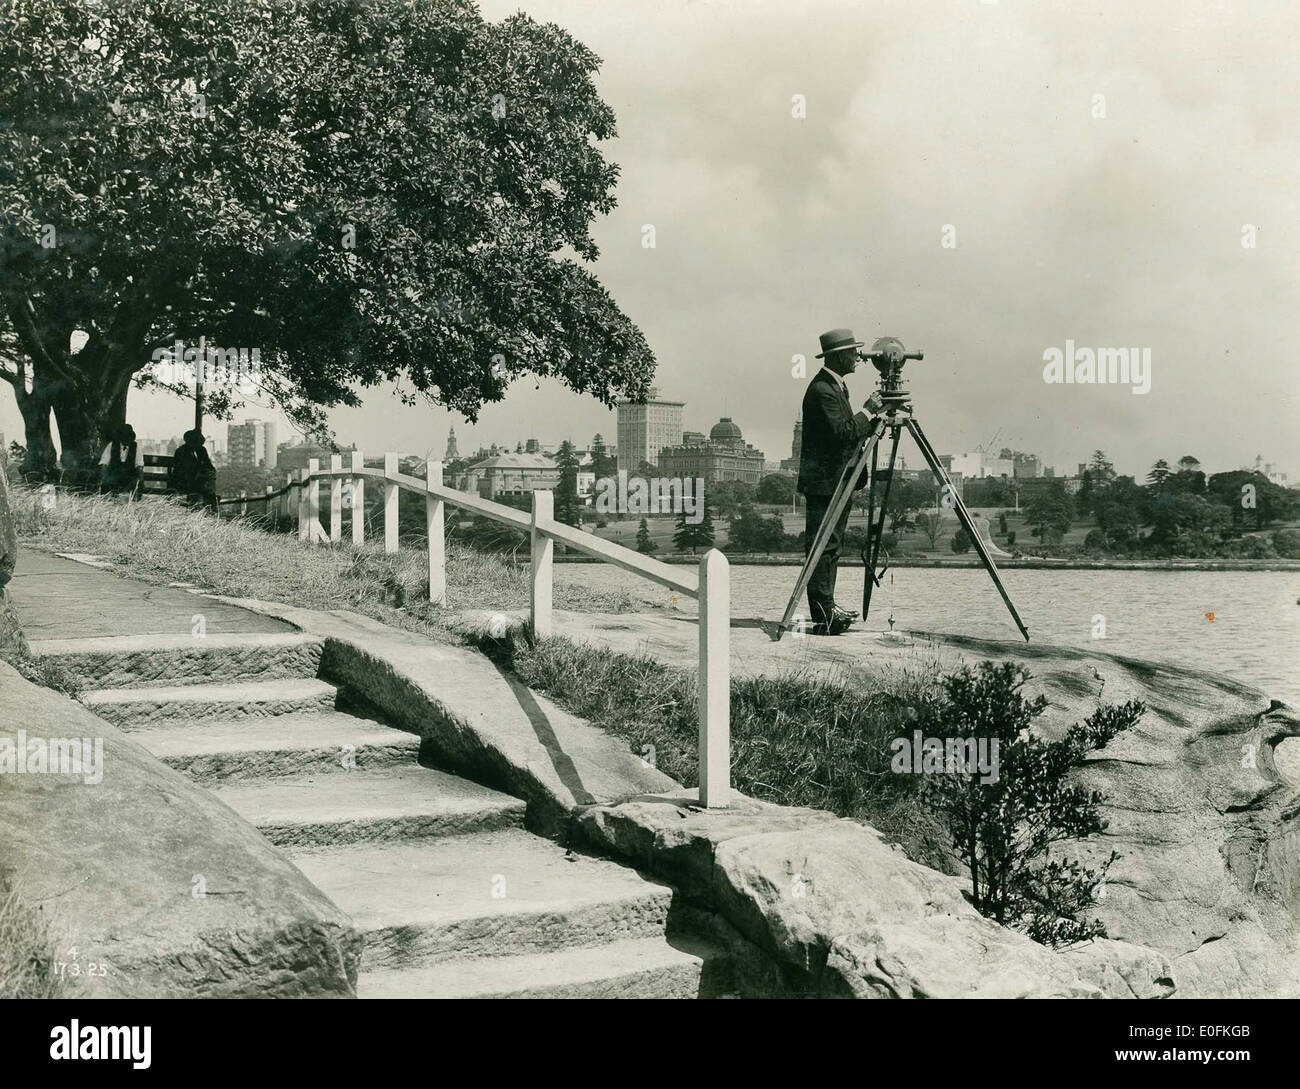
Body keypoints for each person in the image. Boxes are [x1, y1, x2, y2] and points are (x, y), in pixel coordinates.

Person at [796, 328, 888, 635]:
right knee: (824, 546)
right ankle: (823, 613)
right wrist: (867, 411)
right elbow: (843, 434)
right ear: (837, 356)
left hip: (838, 480)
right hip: (826, 483)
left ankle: (827, 609)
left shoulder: (836, 387)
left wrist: (874, 419)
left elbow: (849, 431)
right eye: (853, 352)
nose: (859, 357)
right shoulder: (823, 390)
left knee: (832, 546)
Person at [170, 429, 217, 511]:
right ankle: (209, 504)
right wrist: (201, 473)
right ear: (190, 442)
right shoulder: (181, 451)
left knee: (207, 480)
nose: (200, 445)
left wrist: (210, 471)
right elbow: (186, 469)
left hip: (198, 480)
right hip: (185, 480)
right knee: (205, 486)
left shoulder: (201, 450)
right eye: (197, 442)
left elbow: (208, 464)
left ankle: (208, 503)